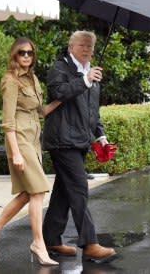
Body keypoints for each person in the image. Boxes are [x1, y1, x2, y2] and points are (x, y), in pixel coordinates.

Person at [0, 37, 60, 266]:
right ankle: (38, 243)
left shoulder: (33, 79)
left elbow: (42, 110)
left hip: (33, 140)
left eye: (30, 53)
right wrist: (16, 153)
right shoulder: (10, 81)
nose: (27, 56)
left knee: (29, 192)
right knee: (38, 190)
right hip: (19, 140)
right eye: (22, 53)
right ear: (14, 55)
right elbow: (8, 122)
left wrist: (66, 96)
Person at [42, 31, 117, 263]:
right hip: (62, 140)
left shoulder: (92, 72)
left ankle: (51, 240)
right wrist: (84, 80)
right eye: (82, 45)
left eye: (90, 46)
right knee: (79, 188)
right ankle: (90, 243)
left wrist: (100, 135)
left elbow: (93, 111)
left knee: (64, 192)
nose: (87, 50)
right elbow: (58, 92)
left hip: (80, 141)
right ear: (71, 46)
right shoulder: (60, 68)